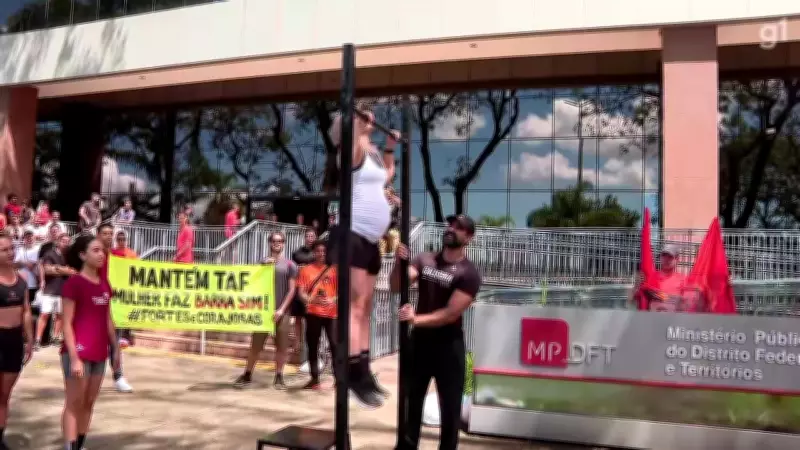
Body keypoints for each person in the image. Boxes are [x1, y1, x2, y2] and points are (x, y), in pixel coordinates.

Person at [326, 104, 399, 408]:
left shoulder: (370, 158)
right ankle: (352, 371)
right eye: (363, 114)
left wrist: (390, 148)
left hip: (371, 241)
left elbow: (388, 173)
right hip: (352, 235)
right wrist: (355, 122)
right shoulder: (350, 152)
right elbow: (350, 134)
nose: (370, 117)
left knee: (367, 307)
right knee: (355, 307)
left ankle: (365, 371)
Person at [391, 214, 482, 450]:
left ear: (468, 238)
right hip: (419, 345)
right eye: (450, 224)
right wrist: (397, 262)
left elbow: (451, 313)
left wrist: (415, 319)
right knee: (411, 404)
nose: (451, 228)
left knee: (450, 411)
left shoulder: (469, 273)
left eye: (459, 227)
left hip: (448, 348)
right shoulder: (424, 259)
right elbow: (396, 285)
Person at [60, 234, 120, 450]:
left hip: (99, 354)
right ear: (82, 255)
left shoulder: (104, 285)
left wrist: (115, 349)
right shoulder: (74, 283)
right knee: (74, 403)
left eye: (102, 250)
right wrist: (74, 358)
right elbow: (66, 324)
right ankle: (70, 446)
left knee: (88, 402)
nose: (101, 254)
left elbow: (107, 318)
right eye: (95, 250)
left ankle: (79, 444)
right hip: (78, 353)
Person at [234, 231, 298, 389]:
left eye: (280, 241)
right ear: (269, 243)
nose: (277, 243)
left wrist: (282, 310)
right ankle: (247, 373)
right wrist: (262, 267)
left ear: (284, 243)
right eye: (274, 240)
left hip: (281, 311)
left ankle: (279, 376)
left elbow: (292, 290)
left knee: (281, 347)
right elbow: (252, 281)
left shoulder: (290, 265)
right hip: (263, 311)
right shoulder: (262, 262)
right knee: (256, 345)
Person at [0, 234, 34, 449]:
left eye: (11, 248)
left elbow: (27, 311)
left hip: (14, 342)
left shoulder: (21, 277)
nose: (10, 252)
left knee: (4, 395)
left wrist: (29, 340)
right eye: (4, 249)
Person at [96, 224, 134, 393]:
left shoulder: (113, 255)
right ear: (98, 235)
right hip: (94, 302)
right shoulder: (94, 254)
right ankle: (90, 376)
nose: (108, 236)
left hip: (110, 304)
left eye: (110, 233)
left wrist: (112, 291)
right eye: (105, 233)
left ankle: (118, 376)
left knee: (114, 341)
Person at [296, 240, 338, 390]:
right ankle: (314, 378)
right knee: (312, 345)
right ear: (314, 252)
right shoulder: (305, 270)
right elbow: (300, 292)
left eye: (324, 251)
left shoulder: (334, 270)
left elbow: (342, 292)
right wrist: (310, 300)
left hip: (331, 313)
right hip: (313, 313)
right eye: (318, 251)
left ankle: (338, 379)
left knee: (334, 345)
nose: (321, 254)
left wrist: (332, 299)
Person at [36, 234, 74, 349]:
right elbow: (47, 270)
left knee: (60, 316)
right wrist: (64, 270)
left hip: (64, 290)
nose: (65, 243)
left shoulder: (69, 256)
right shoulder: (49, 254)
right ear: (58, 241)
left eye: (68, 241)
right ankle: (37, 340)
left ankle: (55, 338)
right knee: (44, 315)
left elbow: (73, 271)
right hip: (50, 290)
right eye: (63, 241)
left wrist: (57, 268)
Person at [291, 228, 317, 372]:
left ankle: (309, 345)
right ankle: (297, 343)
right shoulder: (297, 253)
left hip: (313, 290)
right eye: (308, 236)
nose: (310, 238)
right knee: (298, 318)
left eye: (312, 236)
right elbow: (296, 268)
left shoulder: (318, 253)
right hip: (299, 288)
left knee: (311, 319)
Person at [14, 230, 40, 327]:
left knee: (32, 310)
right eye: (27, 237)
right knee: (22, 308)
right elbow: (14, 264)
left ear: (34, 237)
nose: (29, 239)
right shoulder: (20, 250)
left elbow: (34, 265)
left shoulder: (38, 249)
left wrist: (23, 262)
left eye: (31, 237)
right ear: (24, 239)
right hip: (21, 284)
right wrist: (25, 263)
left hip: (33, 284)